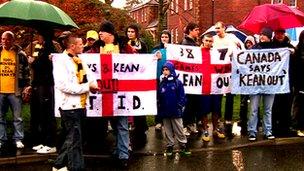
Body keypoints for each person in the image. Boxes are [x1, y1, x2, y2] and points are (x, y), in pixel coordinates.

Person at [52, 34, 99, 171]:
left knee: (73, 137)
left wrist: (93, 86)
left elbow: (89, 76)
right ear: (72, 46)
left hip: (81, 105)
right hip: (68, 106)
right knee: (75, 139)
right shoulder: (61, 61)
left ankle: (59, 165)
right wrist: (86, 88)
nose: (83, 46)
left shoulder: (79, 60)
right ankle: (76, 168)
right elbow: (63, 85)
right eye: (80, 44)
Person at [98, 21, 135, 168]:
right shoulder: (96, 47)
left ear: (110, 34)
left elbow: (137, 61)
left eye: (103, 31)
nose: (100, 33)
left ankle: (123, 155)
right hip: (104, 92)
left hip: (121, 91)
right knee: (114, 124)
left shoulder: (124, 47)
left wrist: (153, 58)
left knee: (122, 123)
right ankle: (120, 149)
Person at [25, 31, 59, 154]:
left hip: (46, 85)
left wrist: (33, 62)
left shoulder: (50, 48)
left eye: (39, 35)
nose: (37, 37)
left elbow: (45, 65)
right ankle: (42, 140)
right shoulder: (40, 48)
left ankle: (51, 143)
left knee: (47, 114)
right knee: (39, 114)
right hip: (38, 84)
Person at [212, 21, 244, 138]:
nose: (217, 30)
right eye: (216, 29)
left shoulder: (231, 37)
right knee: (219, 95)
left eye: (219, 28)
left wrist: (239, 46)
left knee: (230, 94)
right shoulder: (214, 39)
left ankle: (228, 118)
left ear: (224, 28)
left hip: (230, 70)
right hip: (218, 72)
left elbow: (241, 47)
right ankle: (219, 117)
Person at [0, 31, 30, 149]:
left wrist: (27, 87)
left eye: (8, 39)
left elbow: (27, 72)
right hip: (0, 91)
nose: (5, 41)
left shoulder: (20, 54)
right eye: (3, 39)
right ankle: (2, 139)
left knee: (17, 117)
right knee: (0, 117)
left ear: (12, 40)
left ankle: (18, 139)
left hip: (15, 90)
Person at [247, 27, 276, 141]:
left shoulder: (275, 49)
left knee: (268, 110)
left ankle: (268, 131)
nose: (261, 36)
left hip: (270, 84)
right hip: (256, 84)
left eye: (264, 34)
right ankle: (252, 131)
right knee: (254, 109)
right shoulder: (255, 48)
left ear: (269, 36)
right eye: (260, 34)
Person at [158, 61, 191, 156]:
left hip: (176, 111)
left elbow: (182, 96)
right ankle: (170, 145)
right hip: (165, 111)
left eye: (167, 69)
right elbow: (159, 96)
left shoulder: (178, 83)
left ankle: (183, 144)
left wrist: (179, 106)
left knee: (179, 129)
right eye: (163, 70)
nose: (165, 71)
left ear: (171, 70)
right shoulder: (162, 83)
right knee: (167, 129)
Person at [126, 24, 148, 146]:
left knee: (139, 101)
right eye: (128, 31)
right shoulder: (124, 44)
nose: (130, 34)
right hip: (128, 76)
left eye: (132, 32)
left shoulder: (142, 44)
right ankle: (130, 123)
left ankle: (141, 127)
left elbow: (146, 59)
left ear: (136, 33)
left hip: (139, 76)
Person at [200, 34, 225, 142]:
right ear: (203, 41)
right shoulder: (197, 53)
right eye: (207, 41)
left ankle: (215, 129)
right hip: (203, 86)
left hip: (215, 86)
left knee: (216, 109)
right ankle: (205, 130)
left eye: (211, 41)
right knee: (204, 110)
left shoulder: (216, 53)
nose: (209, 43)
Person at [271, 29, 296, 137]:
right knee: (274, 105)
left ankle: (286, 127)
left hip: (287, 81)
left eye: (281, 33)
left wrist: (293, 53)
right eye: (277, 33)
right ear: (275, 34)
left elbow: (296, 63)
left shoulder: (290, 46)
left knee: (286, 105)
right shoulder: (270, 46)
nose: (280, 35)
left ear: (284, 33)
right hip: (274, 82)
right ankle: (274, 127)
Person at [180, 22, 200, 135]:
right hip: (189, 78)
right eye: (196, 29)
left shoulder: (194, 43)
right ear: (190, 31)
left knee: (194, 102)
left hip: (194, 78)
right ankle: (185, 125)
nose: (198, 32)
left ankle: (191, 123)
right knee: (188, 103)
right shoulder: (186, 43)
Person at [152, 30, 172, 131]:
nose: (164, 39)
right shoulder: (156, 49)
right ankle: (158, 121)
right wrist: (155, 57)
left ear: (169, 38)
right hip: (158, 78)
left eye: (166, 37)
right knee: (159, 99)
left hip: (170, 79)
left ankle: (169, 121)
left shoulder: (173, 49)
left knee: (169, 99)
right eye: (162, 37)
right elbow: (150, 61)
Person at [239, 35, 255, 136]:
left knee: (254, 103)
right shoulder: (242, 54)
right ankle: (243, 119)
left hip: (253, 82)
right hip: (244, 82)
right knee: (243, 102)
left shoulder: (257, 54)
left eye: (250, 43)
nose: (248, 44)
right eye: (247, 43)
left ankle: (255, 120)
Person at [292, 30, 304, 137]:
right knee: (300, 105)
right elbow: (295, 68)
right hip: (300, 82)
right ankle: (299, 126)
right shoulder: (297, 52)